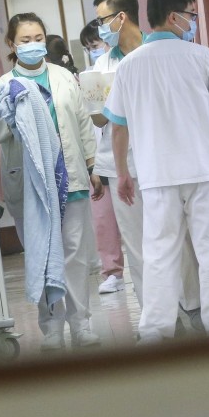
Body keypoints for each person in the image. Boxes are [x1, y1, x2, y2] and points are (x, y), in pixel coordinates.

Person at [103, 0, 209, 342]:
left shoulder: (128, 66)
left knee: (159, 257)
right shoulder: (200, 56)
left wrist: (121, 174)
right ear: (173, 16)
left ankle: (155, 332)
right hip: (207, 170)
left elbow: (118, 127)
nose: (193, 23)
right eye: (191, 16)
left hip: (157, 176)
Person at [0, 13, 103, 351]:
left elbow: (81, 125)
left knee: (74, 255)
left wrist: (93, 167)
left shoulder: (64, 77)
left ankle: (81, 325)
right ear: (12, 44)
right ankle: (51, 330)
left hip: (71, 179)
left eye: (38, 38)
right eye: (25, 40)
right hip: (31, 186)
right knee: (40, 254)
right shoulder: (4, 85)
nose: (33, 45)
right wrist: (4, 112)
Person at [89, 0, 203, 325]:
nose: (99, 28)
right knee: (139, 250)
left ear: (121, 17)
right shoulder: (101, 65)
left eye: (102, 20)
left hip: (165, 162)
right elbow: (101, 119)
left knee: (179, 242)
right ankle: (155, 321)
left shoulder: (164, 51)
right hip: (120, 165)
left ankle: (193, 309)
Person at [79, 23, 126, 294]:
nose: (93, 51)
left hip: (126, 155)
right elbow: (90, 125)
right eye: (89, 47)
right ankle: (112, 272)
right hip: (101, 160)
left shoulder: (125, 66)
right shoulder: (88, 78)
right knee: (103, 220)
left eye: (95, 45)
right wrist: (93, 165)